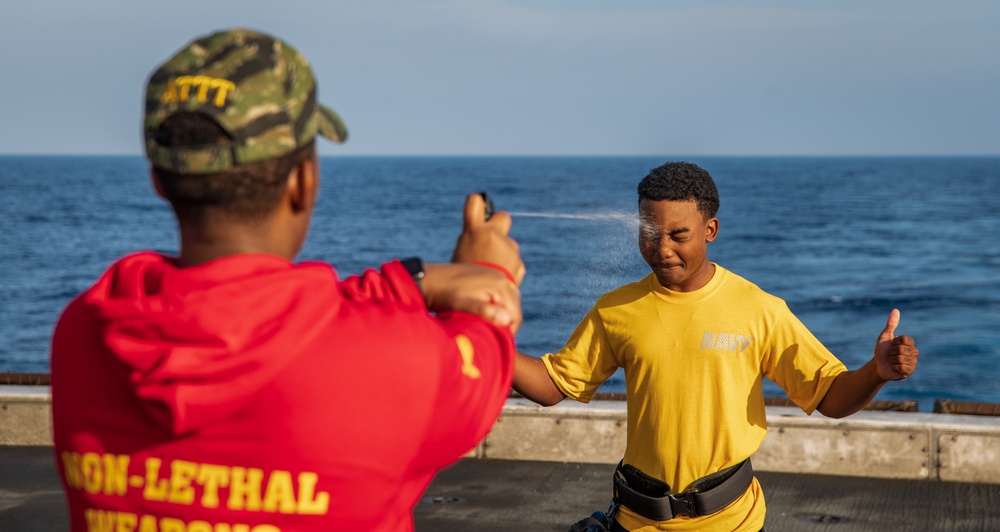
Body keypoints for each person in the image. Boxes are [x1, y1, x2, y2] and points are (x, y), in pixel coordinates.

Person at [50, 28, 525, 532]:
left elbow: (255, 316)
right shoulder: (399, 363)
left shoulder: (85, 336)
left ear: (159, 180)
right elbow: (485, 342)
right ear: (303, 182)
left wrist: (412, 280)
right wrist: (490, 270)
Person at [513, 162, 919, 532]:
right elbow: (553, 386)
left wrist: (875, 373)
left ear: (710, 230)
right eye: (650, 234)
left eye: (679, 235)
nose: (662, 249)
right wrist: (484, 345)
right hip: (634, 522)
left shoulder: (760, 310)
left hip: (733, 523)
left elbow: (828, 396)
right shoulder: (616, 309)